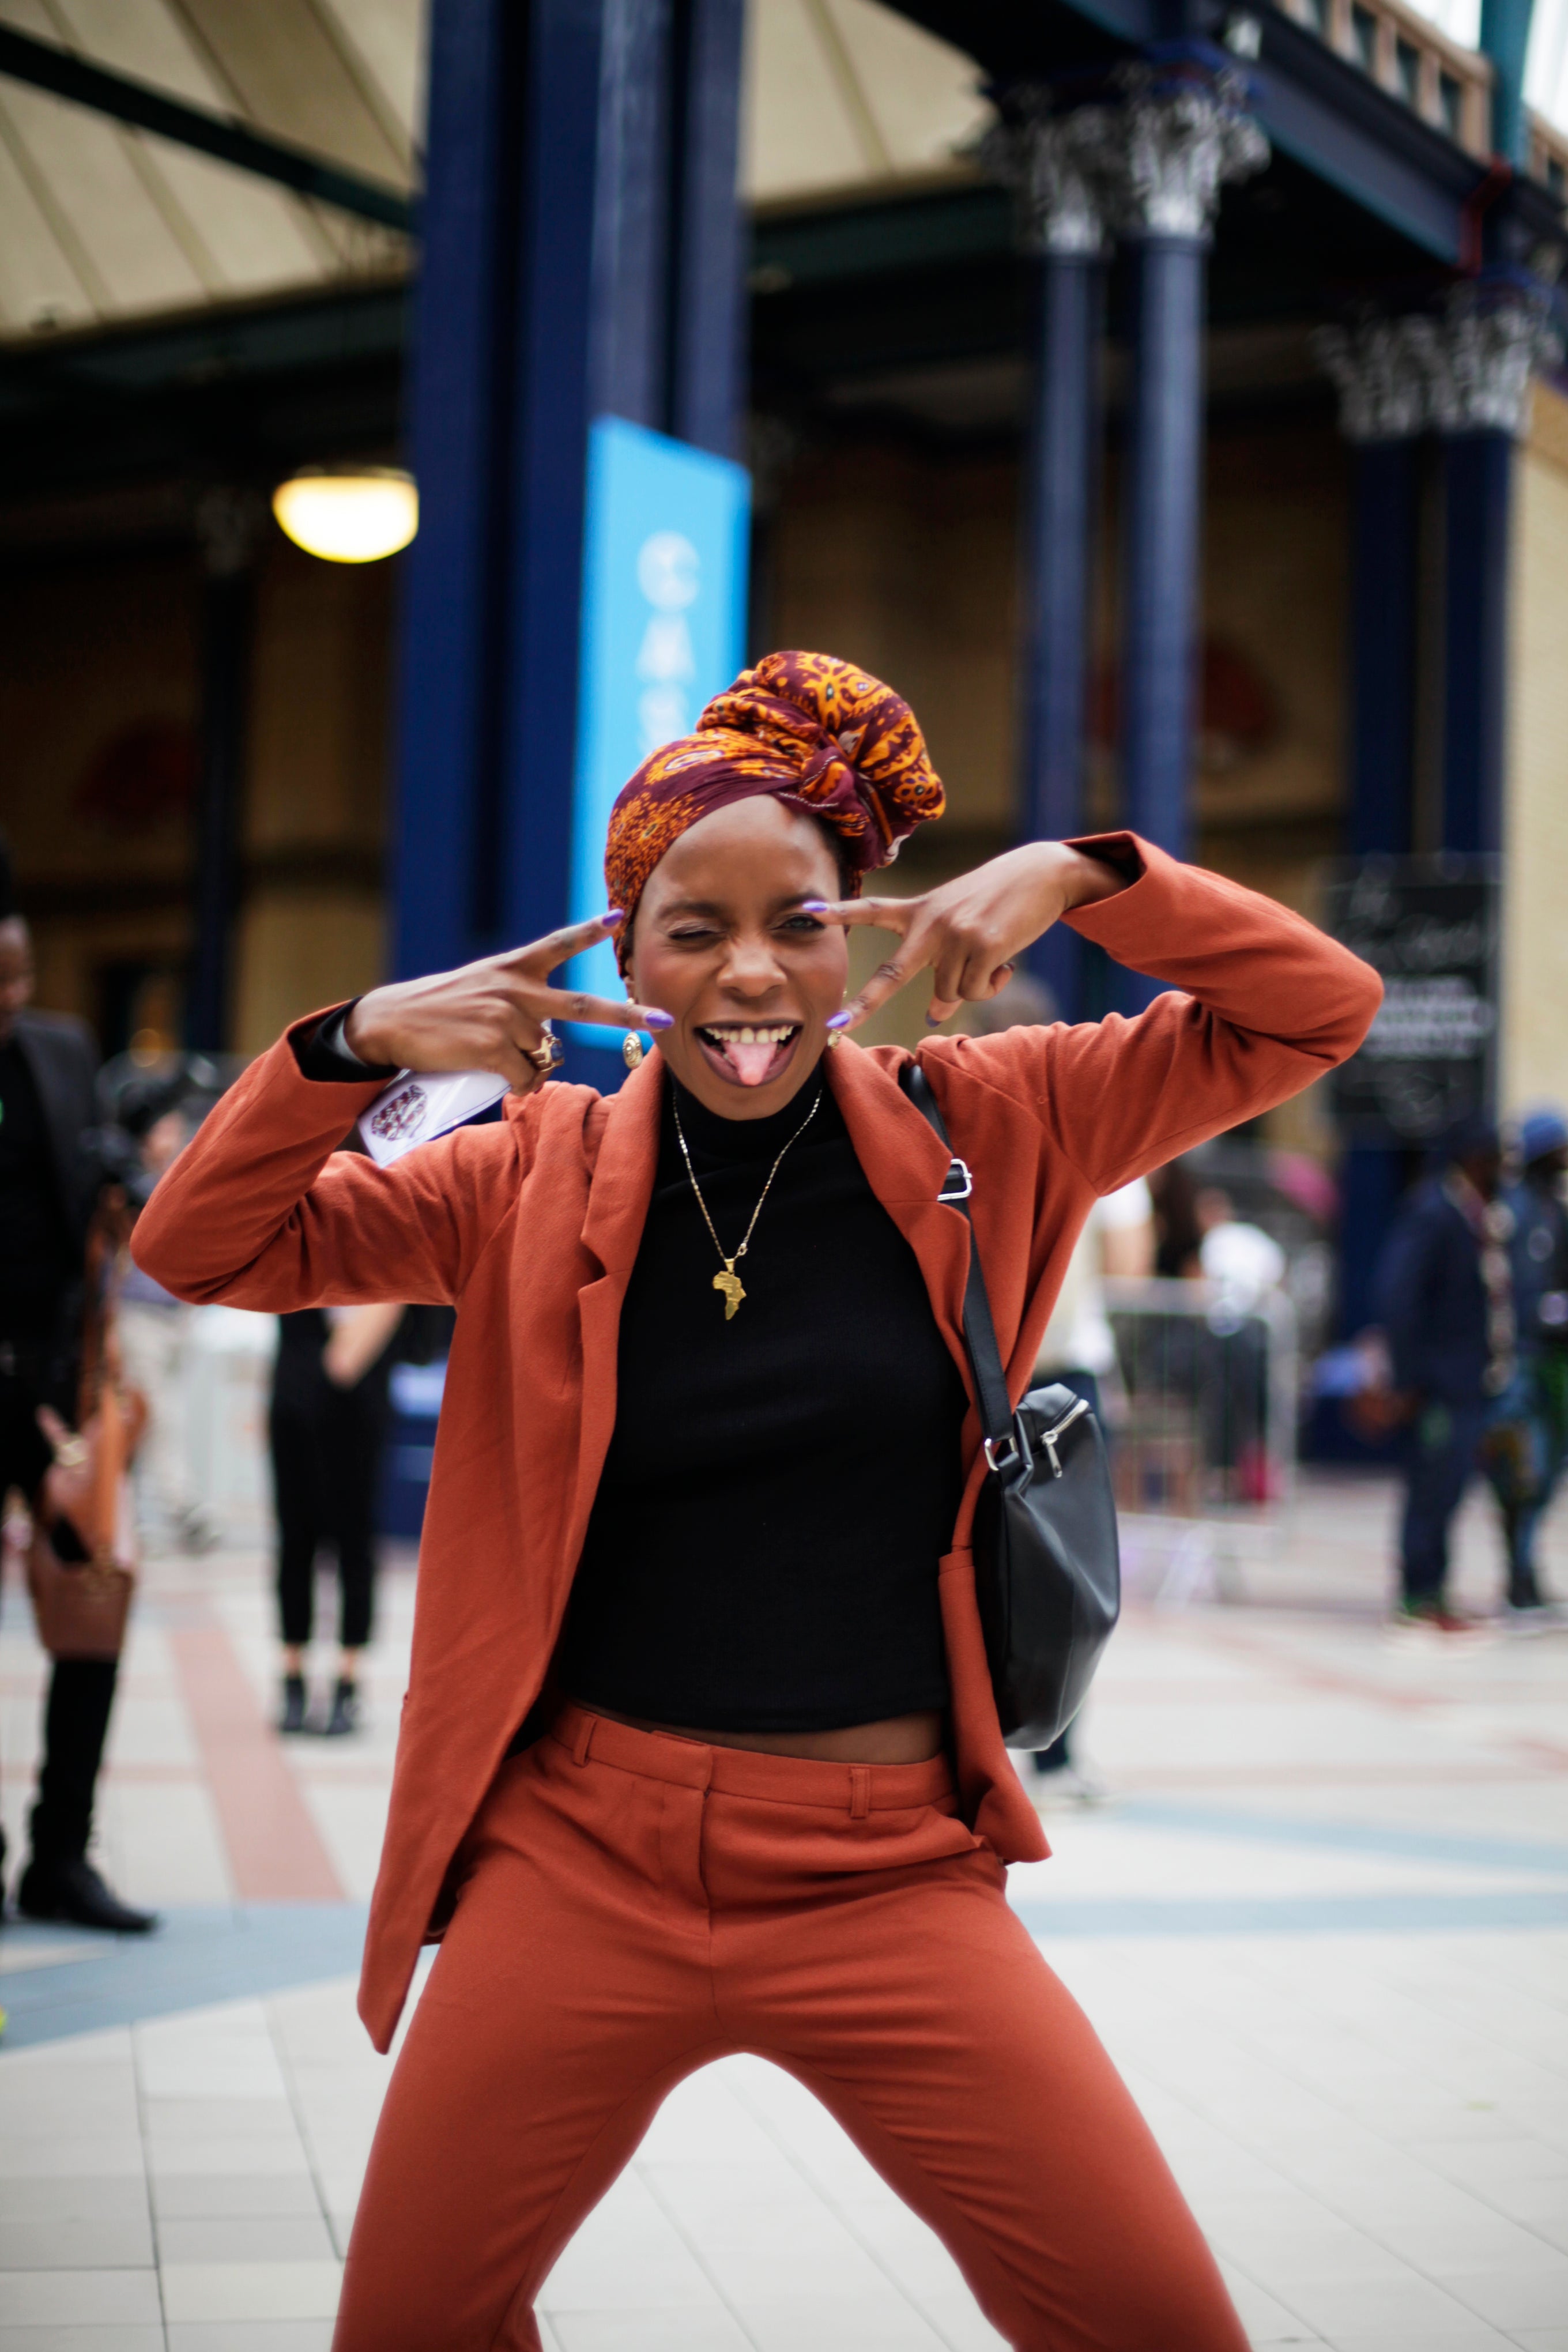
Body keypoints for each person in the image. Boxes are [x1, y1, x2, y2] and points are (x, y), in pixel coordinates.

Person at [133, 650, 1380, 2351]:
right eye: (687, 927)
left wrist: (1092, 876)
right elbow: (204, 1244)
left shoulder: (996, 1119)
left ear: (860, 930)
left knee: (1153, 2320)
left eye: (794, 919)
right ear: (624, 955)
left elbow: (1317, 1009)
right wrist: (349, 1046)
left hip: (886, 1876)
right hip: (578, 1855)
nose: (744, 974)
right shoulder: (523, 1171)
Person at [0, 843, 156, 1932]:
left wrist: (123, 1177)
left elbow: (96, 1203)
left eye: (18, 976)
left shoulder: (56, 1051)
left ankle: (62, 1855)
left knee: (94, 1609)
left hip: (60, 1390)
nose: (10, 1000)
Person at [1377, 1114, 1512, 1631]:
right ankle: (1418, 1595)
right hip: (1437, 1383)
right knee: (1432, 1488)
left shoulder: (1476, 1213)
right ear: (1473, 1159)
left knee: (1451, 1487)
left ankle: (1436, 1590)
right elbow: (1400, 1296)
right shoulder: (1434, 1210)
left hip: (1468, 1380)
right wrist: (1408, 1379)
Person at [272, 1300, 404, 1735]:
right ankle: (293, 1679)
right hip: (292, 1401)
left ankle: (348, 1683)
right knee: (295, 1540)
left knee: (355, 1543)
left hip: (359, 1407)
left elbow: (346, 1361)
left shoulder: (387, 1247)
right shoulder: (294, 1236)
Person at [115, 1088, 221, 1557]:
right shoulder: (129, 1187)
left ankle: (125, 1509)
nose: (174, 1137)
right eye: (164, 1129)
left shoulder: (178, 1179)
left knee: (148, 1416)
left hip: (178, 1317)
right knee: (159, 1411)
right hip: (137, 1317)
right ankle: (185, 1508)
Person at [1487, 1106, 1568, 1616]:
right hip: (1519, 1364)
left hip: (1554, 1361)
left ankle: (1528, 1569)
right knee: (1520, 1470)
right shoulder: (1511, 1210)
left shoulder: (1555, 1210)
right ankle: (1517, 1575)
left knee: (1548, 1471)